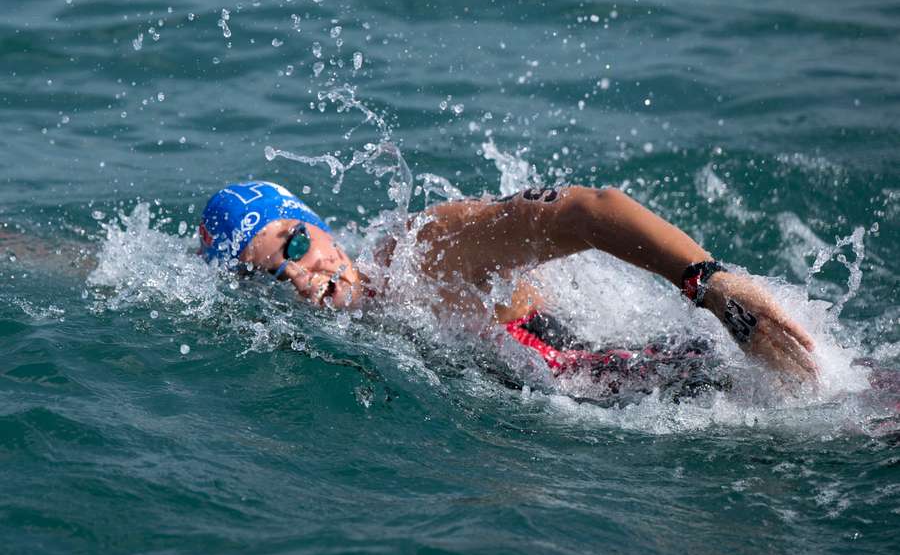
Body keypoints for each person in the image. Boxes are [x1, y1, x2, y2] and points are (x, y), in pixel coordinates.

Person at [198, 180, 819, 395]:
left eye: (294, 245)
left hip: (675, 376)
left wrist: (709, 284)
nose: (303, 278)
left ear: (319, 225)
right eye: (272, 278)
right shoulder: (338, 343)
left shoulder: (421, 255)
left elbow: (588, 211)